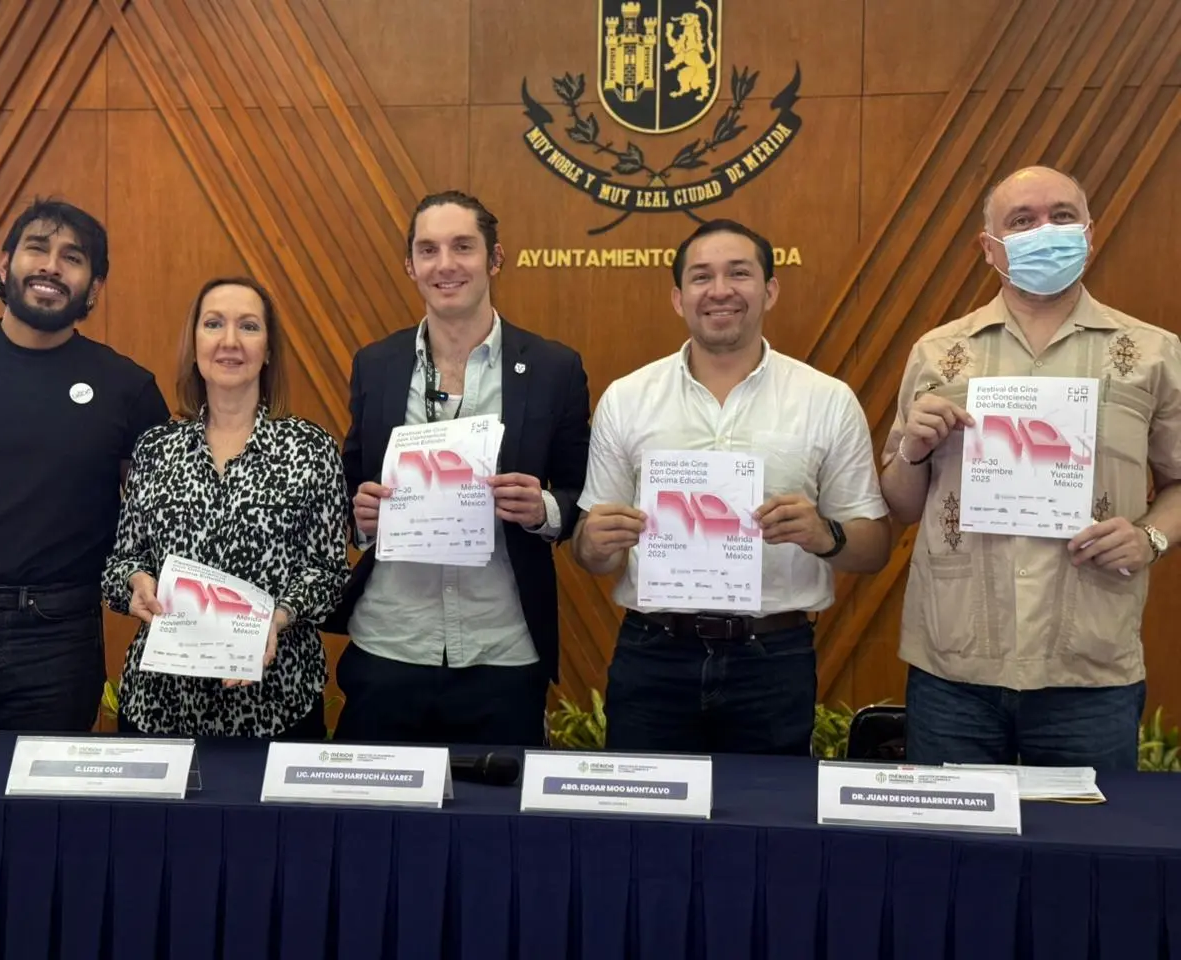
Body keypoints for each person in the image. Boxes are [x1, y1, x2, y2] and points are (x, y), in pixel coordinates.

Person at [881, 165, 1181, 770]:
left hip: (1088, 665)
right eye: (1023, 221)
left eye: (1063, 216)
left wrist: (1150, 536)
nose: (1046, 230)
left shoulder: (1152, 352)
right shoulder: (938, 351)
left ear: (1089, 233)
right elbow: (902, 503)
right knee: (952, 857)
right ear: (989, 247)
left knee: (1085, 852)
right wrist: (912, 448)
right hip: (954, 664)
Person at [573, 219, 891, 755]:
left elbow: (875, 547)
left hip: (773, 658)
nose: (720, 290)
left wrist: (825, 534)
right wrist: (594, 542)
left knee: (766, 826)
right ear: (678, 298)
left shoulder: (827, 400)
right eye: (701, 277)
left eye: (738, 273)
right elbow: (592, 556)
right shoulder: (626, 399)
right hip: (653, 655)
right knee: (642, 825)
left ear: (769, 290)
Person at [329, 190, 590, 747]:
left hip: (502, 649)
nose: (445, 264)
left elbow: (579, 491)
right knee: (375, 828)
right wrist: (361, 514)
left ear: (495, 259)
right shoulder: (376, 364)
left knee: (497, 832)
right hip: (390, 644)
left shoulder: (553, 368)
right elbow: (352, 480)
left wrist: (543, 508)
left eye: (463, 247)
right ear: (410, 266)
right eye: (428, 250)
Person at [0, 198, 169, 733]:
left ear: (93, 287)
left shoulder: (128, 389)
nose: (51, 265)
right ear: (5, 266)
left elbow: (154, 522)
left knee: (47, 812)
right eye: (37, 248)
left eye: (73, 257)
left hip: (55, 636)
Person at [101, 277, 349, 739]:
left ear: (269, 349)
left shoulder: (311, 448)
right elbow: (122, 563)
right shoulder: (156, 448)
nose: (230, 341)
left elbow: (329, 574)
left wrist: (280, 616)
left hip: (277, 704)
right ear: (194, 343)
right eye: (214, 324)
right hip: (160, 706)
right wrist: (135, 583)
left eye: (249, 327)